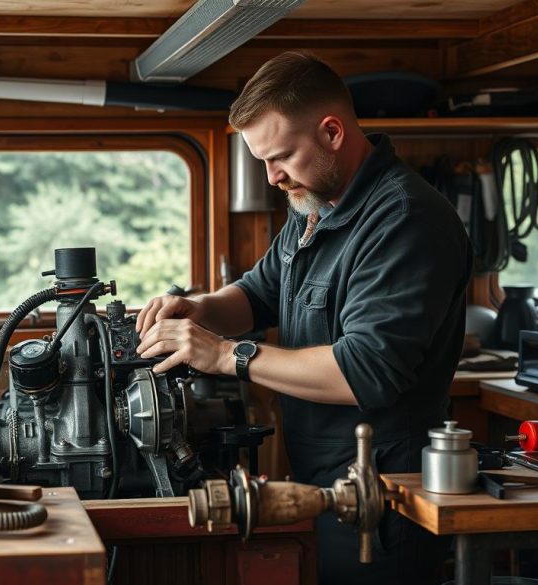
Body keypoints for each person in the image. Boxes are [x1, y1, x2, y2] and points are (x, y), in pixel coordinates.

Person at [135, 51, 471, 585]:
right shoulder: (316, 205)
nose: (272, 177)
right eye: (262, 162)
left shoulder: (405, 222)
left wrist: (226, 355)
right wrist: (198, 309)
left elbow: (367, 370)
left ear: (332, 132)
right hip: (326, 477)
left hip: (384, 490)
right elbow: (258, 293)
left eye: (282, 157)